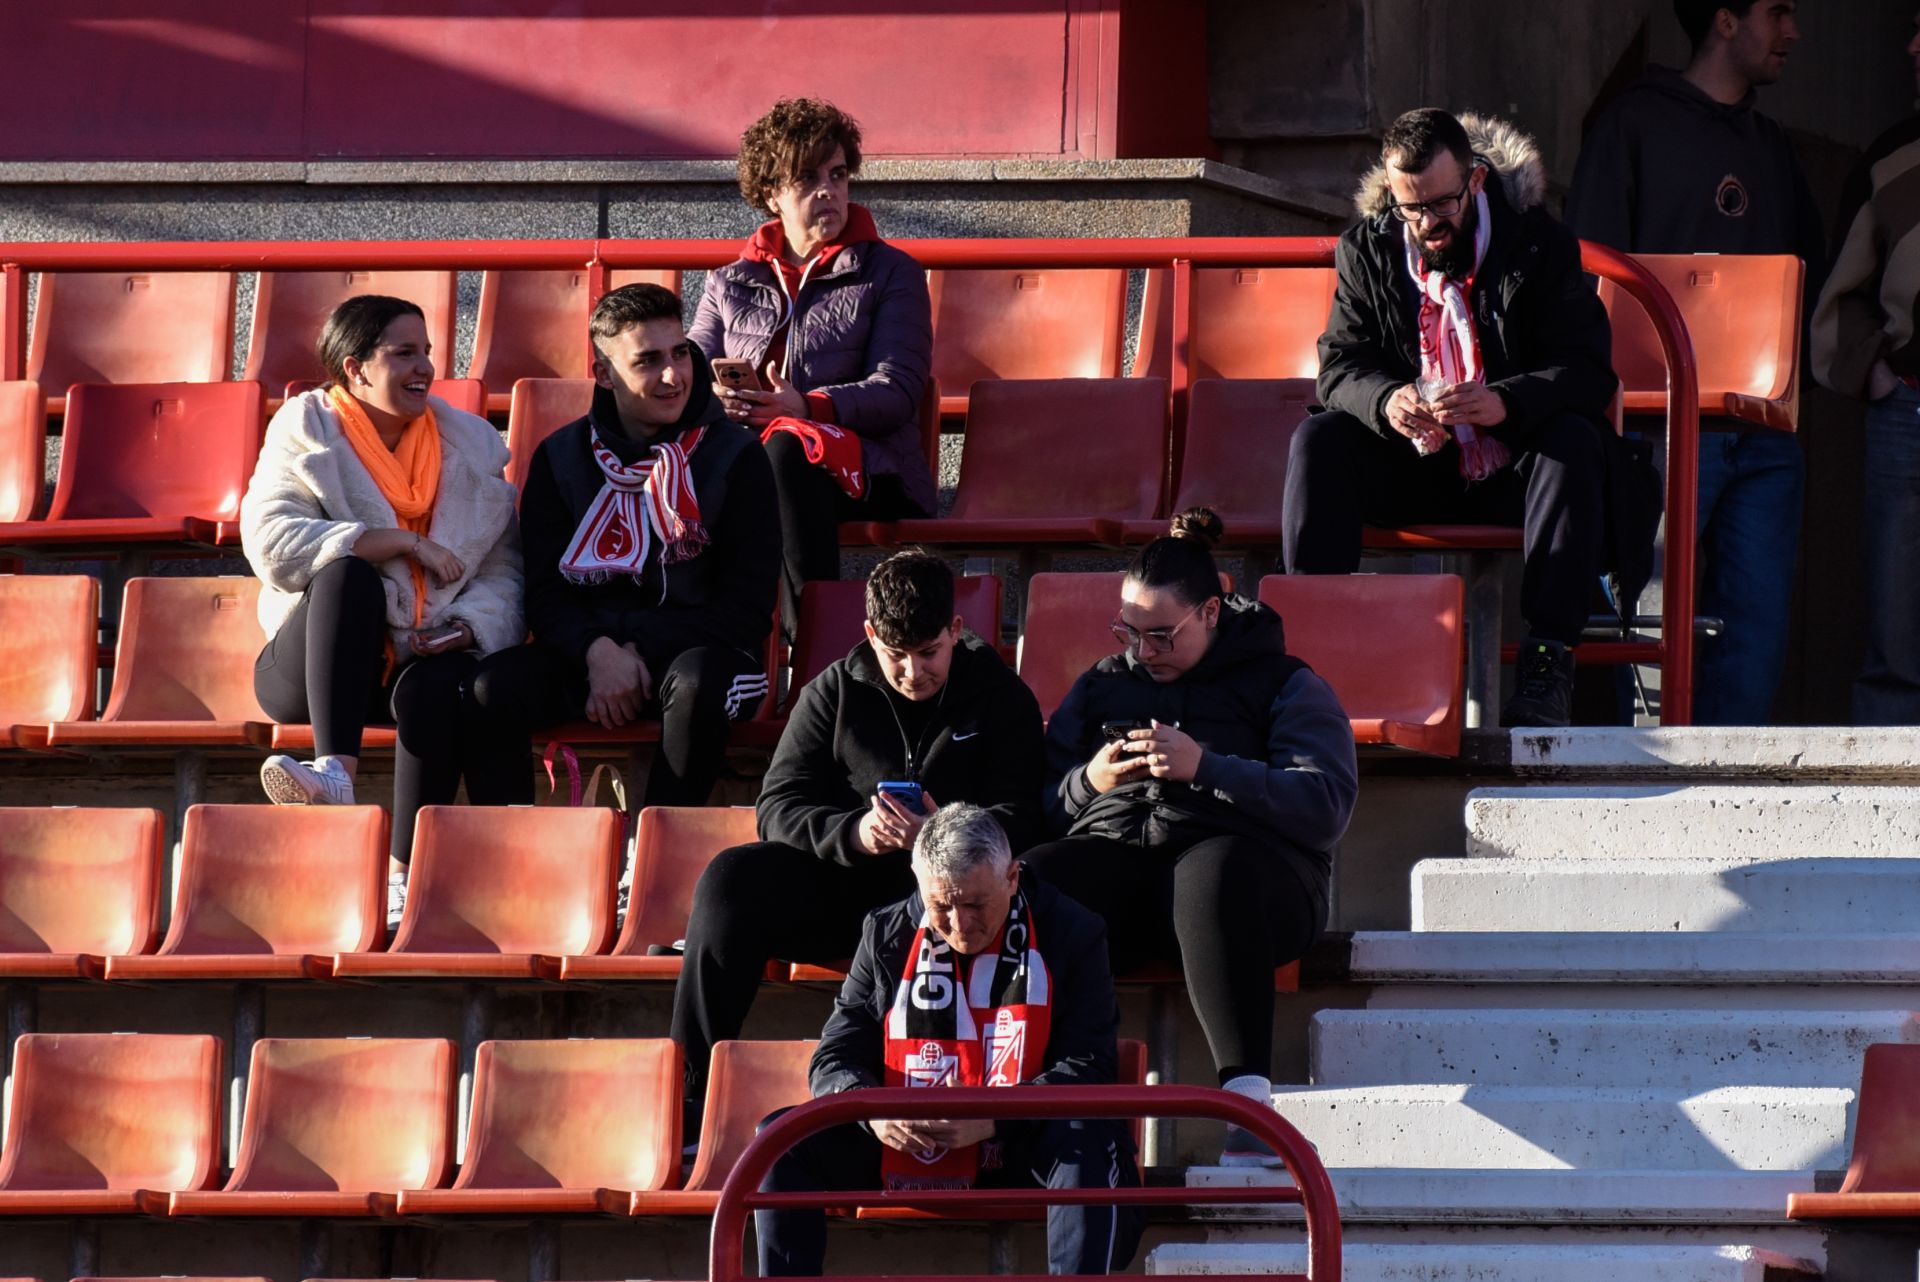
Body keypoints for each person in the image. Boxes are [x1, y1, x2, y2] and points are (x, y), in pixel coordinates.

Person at [672, 549, 1044, 1139]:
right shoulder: (835, 689)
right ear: (870, 634)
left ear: (956, 631)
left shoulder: (1002, 697)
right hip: (851, 887)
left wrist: (942, 835)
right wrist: (852, 832)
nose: (912, 672)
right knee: (731, 878)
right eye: (895, 655)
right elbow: (778, 805)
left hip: (954, 904)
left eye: (929, 653)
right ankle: (687, 1097)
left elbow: (1028, 813)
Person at [1025, 509, 1358, 1167]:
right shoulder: (1102, 683)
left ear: (1209, 613)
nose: (1143, 652)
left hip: (1252, 885)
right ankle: (1043, 1099)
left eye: (1161, 635)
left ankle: (1249, 1108)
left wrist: (1207, 767)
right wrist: (1087, 782)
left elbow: (1323, 804)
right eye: (1130, 632)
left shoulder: (1284, 682)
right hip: (1128, 868)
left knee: (1212, 872)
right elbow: (1039, 808)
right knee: (1033, 879)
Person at [1282, 108, 1620, 727]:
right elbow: (1337, 368)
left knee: (1573, 441)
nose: (1426, 225)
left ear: (1476, 181)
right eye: (1409, 208)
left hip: (1516, 470)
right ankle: (1309, 664)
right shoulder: (1369, 247)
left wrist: (1507, 401)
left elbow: (1589, 370)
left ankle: (1547, 663)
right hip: (1417, 465)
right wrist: (1387, 401)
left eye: (1441, 205)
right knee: (1320, 440)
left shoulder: (1540, 244)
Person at [1567, 0, 1822, 726]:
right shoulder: (1630, 125)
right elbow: (1587, 274)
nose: (1793, 32)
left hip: (1764, 426)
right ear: (1726, 20)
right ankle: (1653, 795)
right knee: (1651, 626)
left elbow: (1810, 267)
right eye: (1779, 12)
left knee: (1755, 631)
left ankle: (1730, 795)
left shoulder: (1772, 145)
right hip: (1661, 428)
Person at [756, 803, 1139, 1278]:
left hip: (1020, 1139)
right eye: (940, 906)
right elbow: (836, 1053)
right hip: (903, 1131)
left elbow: (1088, 1065)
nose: (960, 925)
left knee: (1085, 1137)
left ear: (1013, 878)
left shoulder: (1074, 930)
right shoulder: (886, 930)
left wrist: (995, 1117)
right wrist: (868, 1108)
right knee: (780, 1138)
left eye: (976, 904)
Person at [240, 294, 526, 913]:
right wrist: (397, 542)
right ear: (355, 368)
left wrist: (459, 631)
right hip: (316, 670)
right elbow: (272, 543)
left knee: (442, 684)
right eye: (403, 353)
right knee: (347, 573)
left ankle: (404, 877)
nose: (424, 366)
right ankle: (333, 770)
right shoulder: (305, 429)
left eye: (426, 352)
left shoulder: (472, 444)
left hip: (417, 657)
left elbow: (504, 572)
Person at [468, 283, 779, 806]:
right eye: (648, 360)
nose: (673, 375)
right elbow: (544, 593)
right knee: (490, 688)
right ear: (605, 374)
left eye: (681, 353)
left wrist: (633, 649)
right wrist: (597, 652)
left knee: (700, 683)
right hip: (591, 654)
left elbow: (747, 608)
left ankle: (654, 855)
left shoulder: (737, 456)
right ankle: (507, 847)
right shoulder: (561, 457)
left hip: (706, 655)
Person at [689, 96, 935, 636]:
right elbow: (688, 376)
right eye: (807, 177)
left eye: (838, 173)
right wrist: (723, 400)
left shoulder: (892, 273)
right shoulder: (729, 281)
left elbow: (898, 389)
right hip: (752, 459)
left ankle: (814, 650)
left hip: (870, 466)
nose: (828, 189)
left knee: (785, 450)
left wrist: (805, 406)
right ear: (772, 195)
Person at [1812, 8, 1920, 724]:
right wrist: (1872, 373)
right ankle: (1889, 804)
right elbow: (1838, 294)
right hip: (1909, 410)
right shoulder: (1890, 161)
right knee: (1897, 616)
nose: (1911, 47)